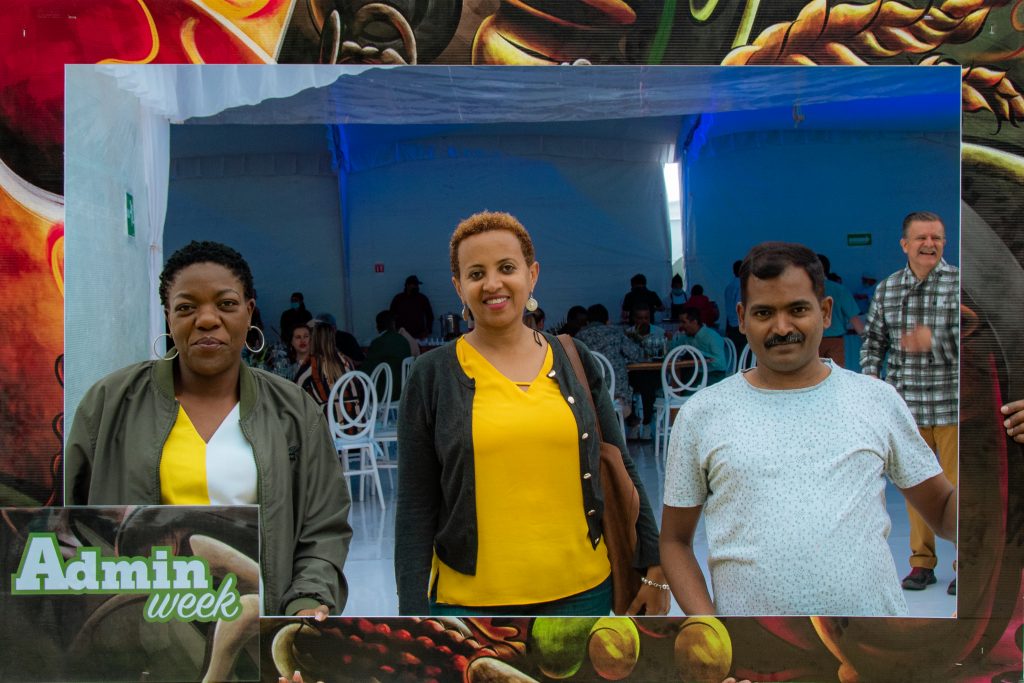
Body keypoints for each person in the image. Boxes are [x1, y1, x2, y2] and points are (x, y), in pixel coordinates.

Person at [395, 210, 668, 616]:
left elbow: (620, 464)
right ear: (458, 286)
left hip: (583, 595)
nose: (492, 284)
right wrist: (414, 617)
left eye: (507, 268)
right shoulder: (431, 375)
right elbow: (416, 505)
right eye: (475, 273)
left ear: (532, 274)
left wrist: (652, 566)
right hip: (470, 609)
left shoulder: (575, 360)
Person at [660, 241, 956, 616]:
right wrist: (711, 632)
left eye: (797, 309)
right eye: (764, 312)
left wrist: (1007, 461)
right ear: (741, 317)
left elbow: (946, 512)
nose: (782, 328)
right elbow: (674, 541)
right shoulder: (703, 413)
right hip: (753, 659)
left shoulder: (875, 399)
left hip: (874, 651)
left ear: (826, 311)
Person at [65, 241, 351, 617]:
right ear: (168, 316)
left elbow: (323, 526)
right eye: (186, 307)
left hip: (258, 632)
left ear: (249, 312)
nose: (206, 319)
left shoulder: (293, 412)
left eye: (226, 304)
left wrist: (307, 601)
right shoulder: (109, 404)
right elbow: (70, 525)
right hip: (140, 634)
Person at [860, 211, 959, 594]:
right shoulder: (887, 289)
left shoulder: (960, 286)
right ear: (905, 244)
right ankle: (921, 563)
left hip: (952, 404)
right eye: (921, 238)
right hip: (906, 410)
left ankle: (962, 561)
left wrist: (933, 341)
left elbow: (976, 340)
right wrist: (870, 377)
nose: (930, 244)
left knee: (956, 489)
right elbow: (873, 340)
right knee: (916, 489)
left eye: (937, 237)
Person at [576, 303, 641, 422]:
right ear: (607, 320)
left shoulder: (580, 337)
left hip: (590, 390)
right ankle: (626, 419)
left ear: (588, 321)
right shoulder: (616, 333)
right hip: (616, 391)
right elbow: (635, 354)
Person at [296, 319, 356, 410]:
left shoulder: (313, 363)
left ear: (314, 339)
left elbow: (295, 389)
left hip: (330, 420)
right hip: (357, 418)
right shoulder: (345, 359)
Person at [817, 253, 863, 368]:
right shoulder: (840, 290)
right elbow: (855, 320)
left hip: (812, 343)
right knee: (835, 377)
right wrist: (870, 344)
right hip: (836, 343)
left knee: (811, 380)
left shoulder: (805, 290)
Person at [362, 309, 412, 401]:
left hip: (386, 393)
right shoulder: (403, 341)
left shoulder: (378, 343)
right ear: (393, 324)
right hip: (403, 390)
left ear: (378, 326)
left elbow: (366, 371)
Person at [670, 306, 728, 385]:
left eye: (683, 322)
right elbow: (674, 351)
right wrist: (670, 340)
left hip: (714, 374)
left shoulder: (711, 336)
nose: (681, 325)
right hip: (695, 374)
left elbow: (721, 363)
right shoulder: (686, 336)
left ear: (694, 322)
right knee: (676, 379)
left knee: (683, 386)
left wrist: (698, 354)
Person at [390, 274, 434, 340]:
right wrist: (394, 331)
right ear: (407, 285)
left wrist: (427, 331)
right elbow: (391, 316)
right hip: (402, 335)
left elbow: (430, 316)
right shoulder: (398, 299)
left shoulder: (422, 298)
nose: (417, 287)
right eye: (414, 285)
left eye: (417, 285)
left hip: (419, 335)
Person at [723, 260, 744, 354]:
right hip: (741, 325)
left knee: (736, 355)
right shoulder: (741, 287)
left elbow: (728, 309)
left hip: (731, 325)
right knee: (746, 357)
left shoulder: (729, 287)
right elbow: (740, 306)